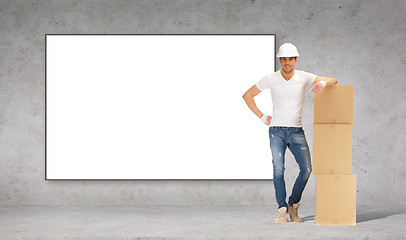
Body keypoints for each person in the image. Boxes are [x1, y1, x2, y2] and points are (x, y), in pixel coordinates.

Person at [242, 43, 337, 224]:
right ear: (279, 60)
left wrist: (323, 83)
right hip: (276, 131)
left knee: (307, 169)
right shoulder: (271, 78)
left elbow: (334, 80)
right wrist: (261, 116)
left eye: (290, 59)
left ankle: (293, 204)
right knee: (279, 170)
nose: (287, 63)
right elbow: (247, 95)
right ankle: (282, 210)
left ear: (295, 60)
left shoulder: (304, 77)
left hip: (296, 131)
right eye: (284, 59)